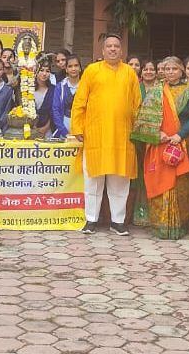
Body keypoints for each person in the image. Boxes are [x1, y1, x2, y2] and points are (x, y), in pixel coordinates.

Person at [70, 34, 140, 236]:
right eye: (109, 46)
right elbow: (80, 102)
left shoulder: (129, 73)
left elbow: (137, 104)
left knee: (120, 180)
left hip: (122, 136)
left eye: (116, 46)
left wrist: (139, 130)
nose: (112, 49)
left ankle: (118, 221)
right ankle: (91, 219)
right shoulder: (92, 71)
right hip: (96, 135)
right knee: (93, 179)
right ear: (102, 50)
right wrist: (78, 128)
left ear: (121, 50)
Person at [129, 60, 162, 227]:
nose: (149, 72)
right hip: (138, 139)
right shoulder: (135, 87)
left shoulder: (160, 90)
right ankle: (137, 213)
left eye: (152, 69)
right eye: (146, 69)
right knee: (138, 175)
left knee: (153, 174)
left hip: (156, 140)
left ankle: (154, 214)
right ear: (141, 72)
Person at [52, 56, 81, 139]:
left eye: (76, 65)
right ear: (66, 69)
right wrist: (64, 132)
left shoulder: (85, 86)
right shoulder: (60, 87)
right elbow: (55, 110)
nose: (73, 69)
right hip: (63, 127)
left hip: (81, 128)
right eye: (70, 66)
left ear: (80, 68)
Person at [31, 66, 55, 137]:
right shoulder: (28, 88)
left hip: (48, 130)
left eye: (47, 71)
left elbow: (55, 111)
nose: (44, 74)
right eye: (41, 70)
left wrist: (45, 128)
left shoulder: (53, 90)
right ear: (36, 71)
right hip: (30, 129)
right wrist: (33, 128)